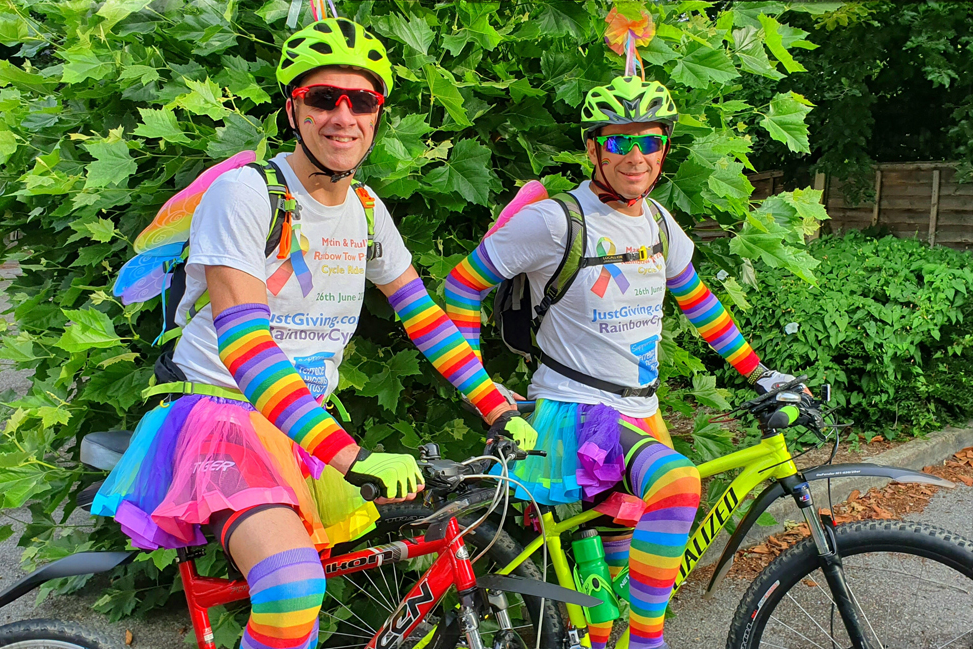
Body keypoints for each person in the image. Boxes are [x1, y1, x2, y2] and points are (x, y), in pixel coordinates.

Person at [93, 17, 535, 649]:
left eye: (362, 101)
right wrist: (351, 455)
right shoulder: (245, 193)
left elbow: (423, 316)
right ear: (293, 109)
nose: (343, 116)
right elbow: (245, 348)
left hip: (295, 424)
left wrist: (496, 404)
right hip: (217, 413)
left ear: (379, 114)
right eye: (324, 98)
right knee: (292, 584)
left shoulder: (367, 210)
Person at [444, 75, 801, 649]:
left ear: (664, 148)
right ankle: (649, 642)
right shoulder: (556, 221)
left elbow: (701, 304)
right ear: (592, 149)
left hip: (640, 415)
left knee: (602, 597)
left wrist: (761, 373)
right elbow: (461, 288)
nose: (635, 156)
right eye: (617, 143)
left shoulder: (658, 221)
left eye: (650, 142)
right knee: (680, 484)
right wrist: (480, 387)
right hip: (574, 416)